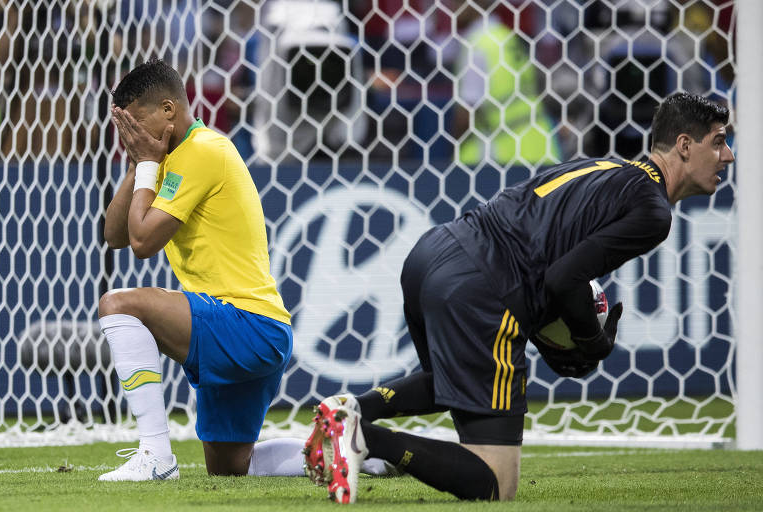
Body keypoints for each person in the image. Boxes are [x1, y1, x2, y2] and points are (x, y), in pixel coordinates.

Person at [304, 92, 734, 503]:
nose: (728, 156)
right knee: (496, 481)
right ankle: (364, 439)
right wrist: (591, 340)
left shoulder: (603, 166)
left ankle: (351, 409)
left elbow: (546, 252)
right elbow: (563, 279)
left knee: (455, 381)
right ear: (683, 145)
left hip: (435, 252)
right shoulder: (654, 211)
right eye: (718, 143)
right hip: (485, 287)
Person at [98, 58, 295, 480]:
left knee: (119, 304)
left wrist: (149, 165)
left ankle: (156, 456)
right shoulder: (168, 159)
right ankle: (358, 452)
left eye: (136, 123)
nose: (130, 136)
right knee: (230, 467)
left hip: (247, 325)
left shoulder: (204, 150)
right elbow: (113, 234)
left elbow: (141, 243)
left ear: (168, 110)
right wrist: (141, 165)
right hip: (252, 330)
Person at [452, 0, 560, 166]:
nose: (451, 7)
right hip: (540, 144)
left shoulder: (477, 44)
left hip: (504, 152)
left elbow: (467, 112)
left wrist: (450, 149)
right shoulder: (506, 36)